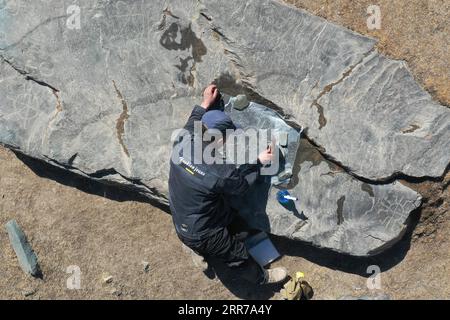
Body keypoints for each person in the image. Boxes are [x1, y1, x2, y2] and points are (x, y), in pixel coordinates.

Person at [168, 84, 288, 284]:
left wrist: (205, 103)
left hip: (181, 213)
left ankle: (193, 247)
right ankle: (262, 278)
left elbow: (193, 121)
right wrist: (260, 161)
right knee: (237, 254)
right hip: (204, 232)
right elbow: (240, 186)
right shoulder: (218, 170)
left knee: (226, 218)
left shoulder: (183, 139)